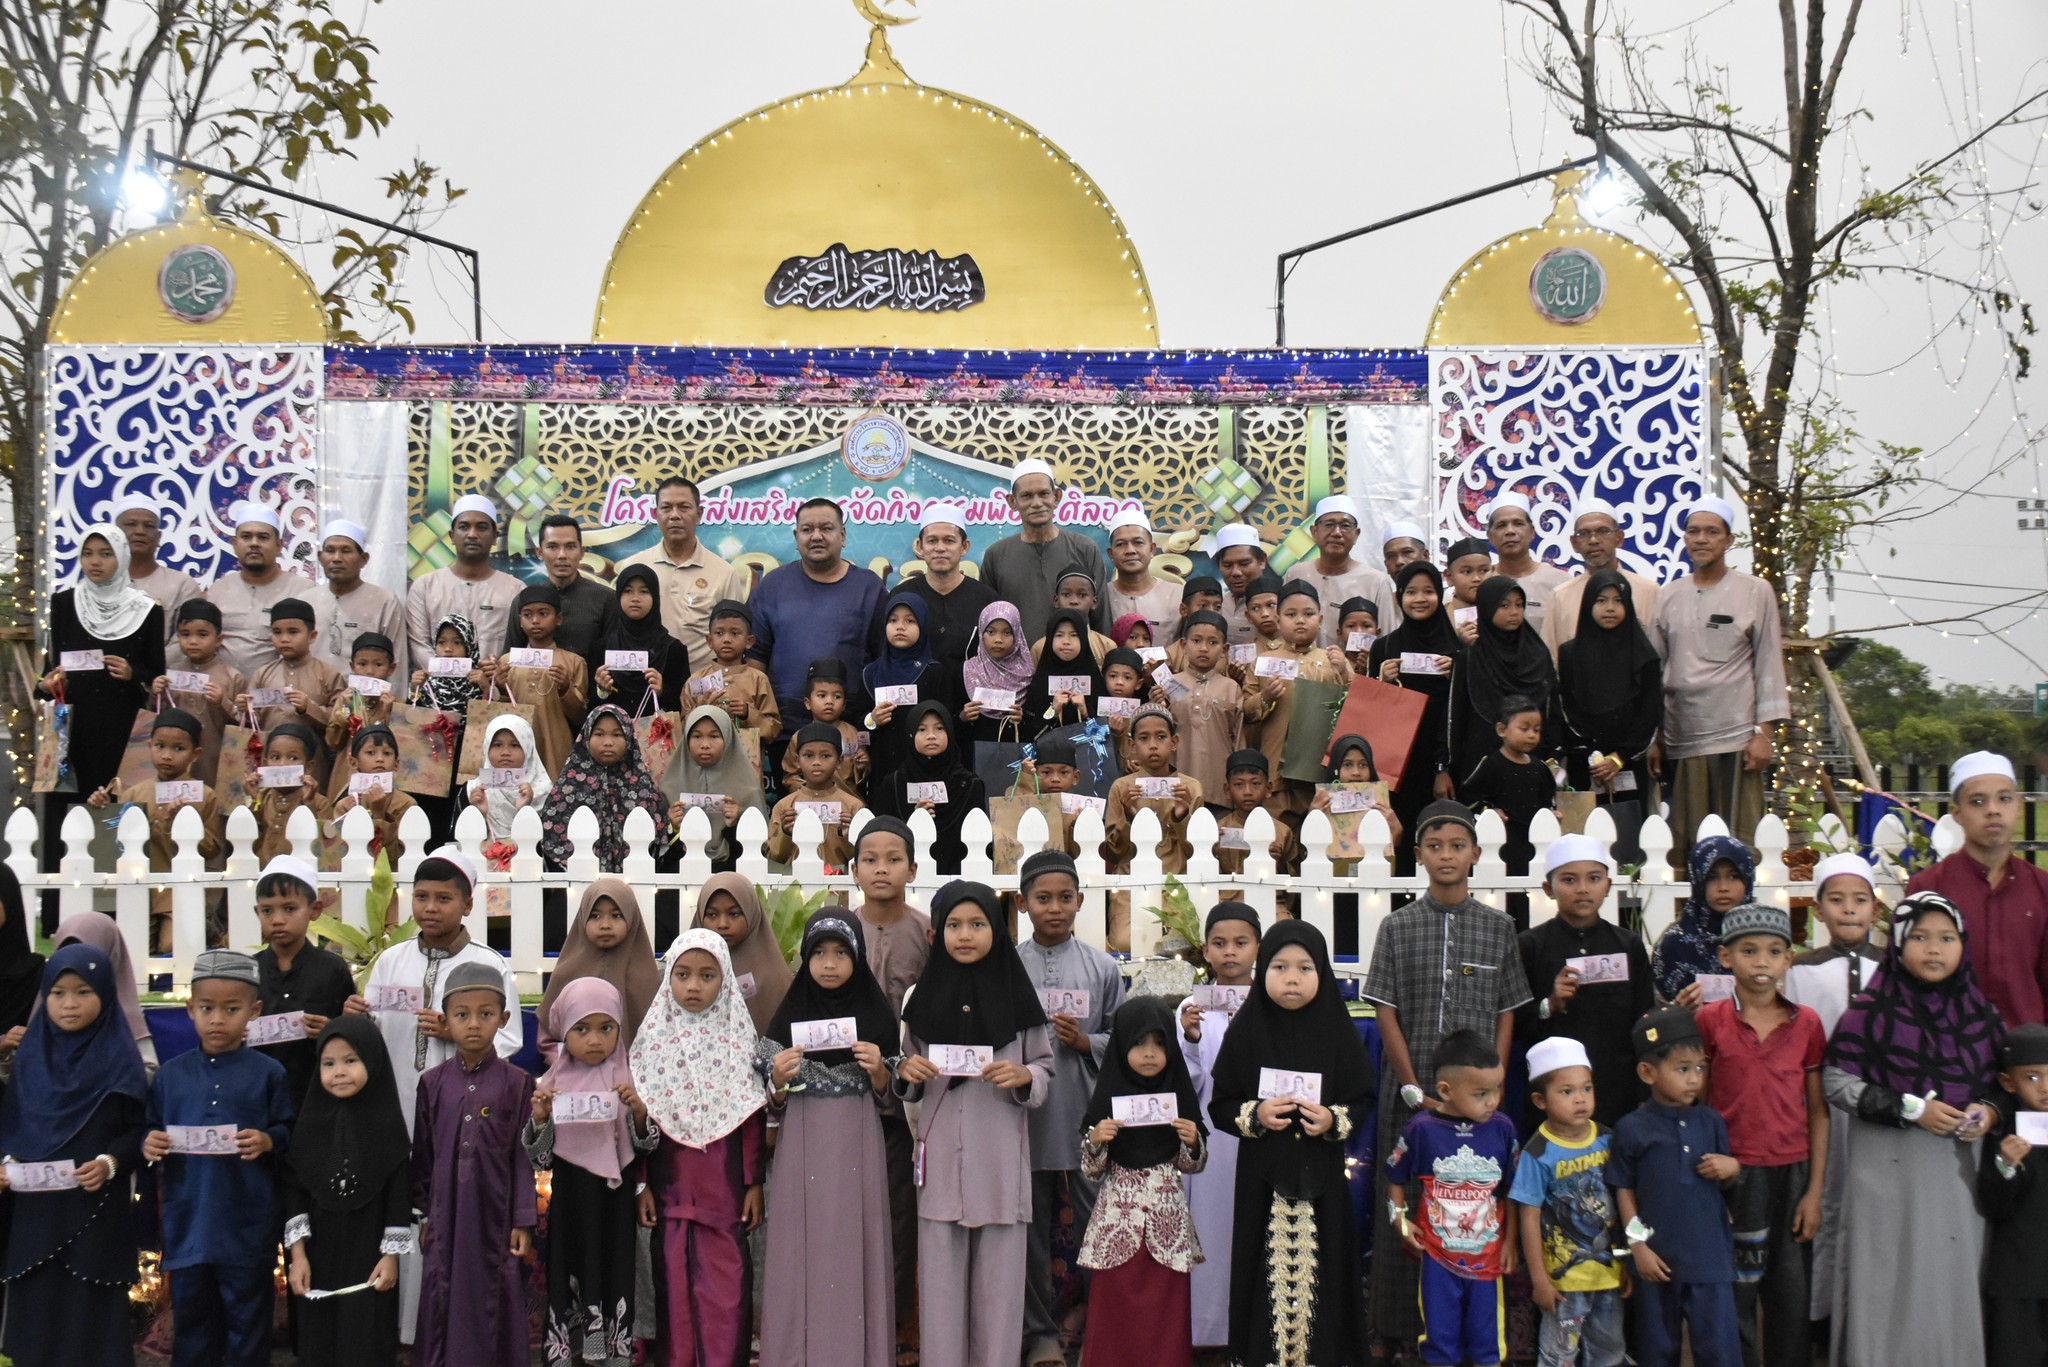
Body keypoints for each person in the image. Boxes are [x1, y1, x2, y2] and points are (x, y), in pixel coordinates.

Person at [1363, 801, 1532, 1349]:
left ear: (1475, 854)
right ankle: (1398, 1333)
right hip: (1409, 1099)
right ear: (1418, 855)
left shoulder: (1499, 928)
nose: (1446, 856)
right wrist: (1413, 1087)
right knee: (1405, 1204)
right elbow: (1385, 1009)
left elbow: (1506, 1011)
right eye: (1435, 847)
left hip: (1478, 1108)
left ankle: (1472, 1338)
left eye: (1457, 846)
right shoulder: (1397, 926)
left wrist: (1490, 1087)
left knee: (1472, 1207)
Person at [1822, 893, 2002, 1367]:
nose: (1934, 949)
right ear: (1898, 944)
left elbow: (2001, 1086)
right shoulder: (1869, 1012)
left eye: (1946, 938)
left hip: (1956, 1177)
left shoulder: (1982, 1017)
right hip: (1886, 1177)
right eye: (1920, 937)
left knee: (1948, 1278)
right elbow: (1835, 1082)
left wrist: (1987, 1112)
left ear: (1963, 945)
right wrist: (1910, 1108)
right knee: (1887, 1275)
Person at [897, 880, 1053, 1367]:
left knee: (1000, 1296)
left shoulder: (1019, 997)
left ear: (997, 930)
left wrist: (1024, 1076)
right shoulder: (920, 1001)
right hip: (941, 1166)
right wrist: (907, 1074)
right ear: (938, 933)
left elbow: (1044, 1069)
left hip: (1000, 1167)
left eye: (978, 924)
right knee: (940, 1292)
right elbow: (907, 1073)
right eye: (954, 925)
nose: (965, 935)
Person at [1207, 921, 1375, 1367]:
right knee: (1260, 1271)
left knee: (1327, 1272)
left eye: (1305, 967)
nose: (1293, 978)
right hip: (1262, 1180)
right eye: (1280, 967)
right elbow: (1221, 1105)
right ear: (1263, 970)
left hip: (1324, 1180)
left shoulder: (1338, 1031)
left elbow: (1362, 1098)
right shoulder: (1247, 1031)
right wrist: (1256, 1115)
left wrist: (1334, 1119)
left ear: (1323, 972)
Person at [756, 909, 900, 1367]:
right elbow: (771, 1101)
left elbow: (892, 1096)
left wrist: (880, 1073)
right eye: (819, 953)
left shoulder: (877, 1019)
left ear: (858, 957)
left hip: (858, 1144)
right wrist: (778, 1080)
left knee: (854, 1245)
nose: (830, 963)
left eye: (841, 952)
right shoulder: (788, 1019)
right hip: (800, 1145)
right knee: (801, 1248)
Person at [0, 944, 150, 1367]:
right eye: (58, 993)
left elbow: (140, 1131)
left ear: (105, 993)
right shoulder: (30, 1058)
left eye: (83, 992)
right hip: (36, 1214)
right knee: (38, 1314)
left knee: (91, 1320)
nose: (69, 1004)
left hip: (95, 1211)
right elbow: (12, 1127)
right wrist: (7, 1165)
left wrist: (109, 1163)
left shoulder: (120, 1058)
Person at [144, 949, 295, 1367]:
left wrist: (268, 1140)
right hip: (188, 1224)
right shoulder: (171, 1076)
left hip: (247, 1227)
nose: (217, 1020)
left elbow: (288, 1130)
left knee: (249, 1328)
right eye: (207, 1008)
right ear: (190, 1009)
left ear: (254, 1011)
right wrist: (149, 1143)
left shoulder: (269, 1073)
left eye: (231, 1009)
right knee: (193, 1329)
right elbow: (150, 1128)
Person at [631, 929, 771, 1367]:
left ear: (725, 980)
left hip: (724, 1195)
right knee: (673, 1289)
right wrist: (641, 1184)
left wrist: (753, 1184)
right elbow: (638, 1122)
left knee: (728, 1291)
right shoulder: (652, 1044)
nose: (694, 986)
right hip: (670, 1193)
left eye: (708, 976)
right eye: (683, 975)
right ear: (668, 978)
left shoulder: (738, 1043)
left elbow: (750, 1118)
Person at [1696, 904, 1826, 1367]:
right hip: (1734, 1173)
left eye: (1774, 951)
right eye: (1748, 951)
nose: (1761, 962)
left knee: (1791, 1291)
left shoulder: (1807, 1023)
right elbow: (1699, 1107)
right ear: (1726, 957)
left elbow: (1818, 1112)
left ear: (1789, 959)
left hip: (1792, 1174)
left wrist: (1814, 1192)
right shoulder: (1710, 1020)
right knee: (1737, 1291)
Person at [1012, 850, 1125, 1367]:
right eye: (1043, 899)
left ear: (1080, 901)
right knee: (1029, 1230)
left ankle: (1104, 1330)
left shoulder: (1102, 967)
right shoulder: (1009, 966)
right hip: (1026, 1116)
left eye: (1064, 898)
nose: (1054, 908)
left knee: (1098, 1224)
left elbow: (1125, 1042)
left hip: (1086, 1117)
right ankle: (1039, 1334)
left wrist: (1086, 1042)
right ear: (1022, 904)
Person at [526, 978, 658, 1367]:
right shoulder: (553, 1083)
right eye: (581, 1029)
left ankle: (613, 1353)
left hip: (614, 1200)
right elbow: (540, 1158)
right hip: (570, 1198)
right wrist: (540, 1118)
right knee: (570, 1268)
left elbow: (645, 1147)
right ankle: (569, 1352)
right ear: (564, 1032)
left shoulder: (628, 1077)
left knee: (615, 1267)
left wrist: (638, 1112)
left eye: (606, 1028)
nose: (595, 1040)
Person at [411, 960, 536, 1367]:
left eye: (485, 1014)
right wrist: (424, 1213)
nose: (473, 1025)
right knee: (443, 1284)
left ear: (503, 1019)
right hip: (445, 1213)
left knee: (495, 1289)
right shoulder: (432, 1083)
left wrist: (522, 1220)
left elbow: (523, 1156)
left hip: (495, 1215)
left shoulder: (517, 1083)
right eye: (462, 1015)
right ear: (445, 1020)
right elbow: (424, 1153)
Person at [348, 850, 522, 1131]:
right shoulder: (391, 960)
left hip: (465, 1095)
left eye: (443, 899)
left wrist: (457, 1034)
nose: (430, 907)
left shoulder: (489, 964)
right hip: (396, 1090)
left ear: (467, 905)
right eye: (421, 897)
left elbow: (509, 1038)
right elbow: (375, 1025)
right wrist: (358, 1019)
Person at [1076, 996, 1208, 1367]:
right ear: (1121, 1045)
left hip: (1168, 1225)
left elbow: (1192, 1164)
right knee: (1115, 1311)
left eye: (1159, 1043)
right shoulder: (1108, 1097)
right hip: (1116, 1224)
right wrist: (1096, 1141)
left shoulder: (1178, 1096)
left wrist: (1193, 1142)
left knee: (1165, 1313)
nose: (1150, 1053)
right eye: (1138, 1043)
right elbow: (1092, 1169)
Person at [1651, 496, 1789, 849]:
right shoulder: (1668, 596)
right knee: (1688, 845)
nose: (1701, 539)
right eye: (1694, 531)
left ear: (1729, 540)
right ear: (1685, 538)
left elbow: (1769, 663)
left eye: (1712, 532)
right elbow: (1657, 670)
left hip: (1737, 739)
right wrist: (1656, 738)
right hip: (1682, 738)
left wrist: (1764, 734)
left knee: (1740, 843)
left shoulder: (1755, 591)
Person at [1609, 1006, 1742, 1367]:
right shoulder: (1631, 1128)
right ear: (1647, 1073)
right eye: (1682, 1069)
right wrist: (1638, 1247)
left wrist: (1732, 1168)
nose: (1694, 1079)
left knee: (1720, 1351)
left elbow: (1728, 1185)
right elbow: (1624, 1190)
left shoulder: (1712, 1122)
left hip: (1709, 1260)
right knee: (1656, 1352)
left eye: (1700, 1068)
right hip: (1656, 1262)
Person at [1780, 853, 1880, 1328]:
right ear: (1818, 910)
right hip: (1821, 1103)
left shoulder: (1892, 967)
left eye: (1859, 900)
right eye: (1837, 900)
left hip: (1876, 1101)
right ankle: (1822, 1312)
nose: (1849, 909)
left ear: (1875, 908)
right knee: (1826, 1193)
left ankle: (1867, 1309)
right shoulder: (1801, 970)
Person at [1386, 1029, 1520, 1367]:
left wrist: (1510, 1242)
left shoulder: (1503, 1129)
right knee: (1439, 1339)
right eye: (1481, 1093)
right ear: (1446, 1090)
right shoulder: (1421, 1129)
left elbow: (1513, 1190)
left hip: (1488, 1257)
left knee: (1488, 1342)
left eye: (1497, 1089)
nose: (1492, 1101)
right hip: (1437, 1257)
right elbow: (1395, 1176)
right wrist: (1398, 1220)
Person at [284, 1018, 413, 1367]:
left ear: (373, 1061)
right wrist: (298, 1257)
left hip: (370, 1257)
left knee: (365, 1336)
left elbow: (398, 1197)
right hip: (318, 1255)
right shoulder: (309, 1125)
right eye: (329, 1063)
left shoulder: (387, 1127)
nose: (339, 1072)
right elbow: (295, 1192)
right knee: (319, 1336)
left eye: (351, 1060)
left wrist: (391, 1257)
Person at [849, 817, 928, 1358]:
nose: (882, 869)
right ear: (853, 871)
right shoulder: (838, 930)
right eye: (871, 860)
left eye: (893, 859)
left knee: (901, 1218)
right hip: (846, 1096)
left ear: (912, 869)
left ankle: (900, 1327)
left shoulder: (928, 933)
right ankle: (851, 1322)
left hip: (903, 1106)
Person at [1516, 835, 1652, 1129]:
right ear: (1548, 889)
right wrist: (1550, 1004)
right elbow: (1516, 1023)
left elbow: (1644, 1019)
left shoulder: (1628, 945)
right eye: (1569, 880)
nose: (1582, 889)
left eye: (1593, 878)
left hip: (1618, 1093)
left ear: (1608, 885)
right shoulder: (1530, 946)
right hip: (1553, 1100)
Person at [39, 523, 166, 833]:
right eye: (88, 554)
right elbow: (49, 669)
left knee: (117, 816)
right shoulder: (64, 604)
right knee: (69, 821)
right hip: (72, 728)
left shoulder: (146, 610)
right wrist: (46, 684)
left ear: (122, 557)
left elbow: (157, 674)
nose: (95, 562)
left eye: (106, 554)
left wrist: (133, 673)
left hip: (121, 726)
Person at [1906, 750, 2048, 1025]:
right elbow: (1911, 982)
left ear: (2018, 806)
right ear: (1958, 814)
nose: (1993, 810)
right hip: (1947, 1043)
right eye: (1978, 801)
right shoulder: (1928, 887)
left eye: (2004, 799)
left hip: (2025, 1044)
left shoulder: (2041, 888)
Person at [1508, 1037, 1626, 1367]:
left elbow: (1621, 1202)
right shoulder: (1537, 1152)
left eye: (1586, 1088)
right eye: (1567, 1091)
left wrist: (1626, 1262)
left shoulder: (1607, 1139)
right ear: (1540, 1100)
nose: (1580, 1099)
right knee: (1559, 1356)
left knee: (1609, 1353)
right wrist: (1539, 1280)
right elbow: (1529, 1217)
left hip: (1609, 1276)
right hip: (1563, 1285)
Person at [1177, 903, 1260, 1352]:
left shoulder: (1271, 1001)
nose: (1230, 952)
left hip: (1259, 1133)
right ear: (1205, 950)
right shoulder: (1193, 1007)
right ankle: (1209, 1332)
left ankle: (1254, 1328)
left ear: (1257, 948)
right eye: (1220, 943)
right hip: (1212, 1134)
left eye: (1240, 943)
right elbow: (1187, 1083)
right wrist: (1190, 1039)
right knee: (1211, 1227)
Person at [83, 705, 222, 953]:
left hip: (178, 889)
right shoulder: (134, 793)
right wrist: (101, 808)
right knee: (136, 950)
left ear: (196, 754)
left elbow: (212, 849)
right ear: (149, 746)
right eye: (160, 746)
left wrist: (183, 824)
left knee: (171, 946)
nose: (167, 755)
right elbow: (115, 840)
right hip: (140, 887)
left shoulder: (204, 795)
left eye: (178, 748)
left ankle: (206, 928)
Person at [1555, 567, 1663, 861]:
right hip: (1585, 764)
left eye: (1618, 600)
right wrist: (1593, 755)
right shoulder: (1570, 654)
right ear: (1587, 605)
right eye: (1601, 600)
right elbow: (1566, 706)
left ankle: (1629, 892)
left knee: (1628, 845)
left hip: (1628, 764)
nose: (1610, 608)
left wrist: (1618, 757)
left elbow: (1650, 712)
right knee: (1584, 847)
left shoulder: (1645, 656)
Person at [750, 497, 889, 722]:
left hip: (850, 725)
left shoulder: (868, 588)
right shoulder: (772, 586)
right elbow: (755, 657)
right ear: (796, 537)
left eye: (826, 528)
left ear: (842, 535)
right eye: (807, 530)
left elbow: (884, 658)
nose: (816, 536)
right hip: (782, 724)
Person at [1369, 562, 1463, 868]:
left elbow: (1463, 713)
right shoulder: (1384, 648)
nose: (1420, 599)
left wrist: (1458, 675)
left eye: (1428, 591)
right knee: (1398, 844)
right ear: (1399, 597)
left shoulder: (1459, 652)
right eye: (1411, 592)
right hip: (1396, 770)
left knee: (1441, 840)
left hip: (1444, 767)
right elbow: (1370, 715)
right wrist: (1381, 680)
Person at [251, 855, 354, 1111]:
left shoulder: (332, 970)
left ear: (314, 910)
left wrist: (330, 1031)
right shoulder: (249, 971)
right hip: (259, 1096)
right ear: (257, 912)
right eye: (267, 910)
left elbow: (351, 1036)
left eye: (289, 909)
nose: (277, 919)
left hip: (316, 1096)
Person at [619, 476, 751, 670]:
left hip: (702, 683)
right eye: (666, 508)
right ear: (655, 514)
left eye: (684, 507)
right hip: (645, 680)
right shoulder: (633, 566)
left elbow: (735, 640)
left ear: (699, 514)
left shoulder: (724, 573)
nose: (674, 515)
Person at [980, 459, 1111, 644]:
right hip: (1015, 661)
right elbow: (988, 621)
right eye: (1027, 496)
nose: (1037, 503)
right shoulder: (996, 555)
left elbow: (1101, 618)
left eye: (1044, 494)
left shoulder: (1085, 549)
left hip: (1074, 660)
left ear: (1056, 497)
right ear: (1012, 501)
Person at [1979, 1023, 2048, 1365]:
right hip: (2019, 1279)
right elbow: (1995, 1206)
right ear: (2008, 1083)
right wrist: (2005, 1164)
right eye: (2033, 1078)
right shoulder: (2005, 1134)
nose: (2046, 1088)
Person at [538, 876, 661, 1065]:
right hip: (575, 1074)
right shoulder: (568, 972)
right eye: (595, 916)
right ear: (583, 918)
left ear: (632, 917)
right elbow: (548, 1038)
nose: (605, 925)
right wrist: (569, 1064)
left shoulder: (646, 978)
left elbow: (659, 1038)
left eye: (616, 915)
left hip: (635, 1076)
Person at [1449, 575, 1557, 785]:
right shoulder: (1470, 657)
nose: (1514, 612)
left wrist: (1554, 755)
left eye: (1519, 605)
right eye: (1504, 605)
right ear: (1487, 608)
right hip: (1481, 761)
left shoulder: (1538, 654)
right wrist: (1446, 766)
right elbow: (1455, 715)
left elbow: (1551, 710)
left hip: (1532, 760)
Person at [537, 706, 673, 872]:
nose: (608, 742)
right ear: (587, 736)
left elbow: (657, 842)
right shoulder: (569, 787)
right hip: (578, 879)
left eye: (617, 735)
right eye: (599, 734)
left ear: (629, 737)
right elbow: (552, 836)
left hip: (635, 880)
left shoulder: (644, 789)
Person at [403, 494, 526, 673]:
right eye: (464, 527)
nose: (472, 534)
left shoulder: (515, 589)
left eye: (482, 527)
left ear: (495, 537)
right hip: (438, 688)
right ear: (452, 536)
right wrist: (456, 673)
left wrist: (499, 669)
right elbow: (419, 645)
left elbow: (521, 646)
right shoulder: (425, 587)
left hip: (494, 687)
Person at [869, 702, 985, 874]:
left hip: (958, 876)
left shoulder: (968, 784)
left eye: (939, 728)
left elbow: (978, 840)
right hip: (903, 878)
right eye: (921, 729)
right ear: (910, 734)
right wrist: (914, 818)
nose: (931, 736)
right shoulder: (894, 783)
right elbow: (880, 838)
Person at [1541, 500, 1663, 660]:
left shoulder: (1649, 592)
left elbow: (1657, 657)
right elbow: (1549, 661)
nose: (1593, 540)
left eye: (1603, 531)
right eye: (1584, 533)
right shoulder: (1560, 597)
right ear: (1574, 543)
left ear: (1619, 538)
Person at [496, 582, 590, 777]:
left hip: (556, 746)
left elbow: (581, 717)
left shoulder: (573, 662)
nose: (535, 620)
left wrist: (565, 689)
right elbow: (499, 713)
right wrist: (500, 688)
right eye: (527, 615)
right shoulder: (507, 662)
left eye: (543, 614)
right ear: (520, 621)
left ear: (559, 619)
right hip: (514, 748)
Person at [47, 911, 159, 1074]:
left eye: (83, 992)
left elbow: (147, 1072)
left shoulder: (125, 1017)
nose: (69, 1004)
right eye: (67, 949)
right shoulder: (46, 1011)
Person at [503, 513, 622, 662]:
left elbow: (614, 660)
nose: (562, 555)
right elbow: (510, 660)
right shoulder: (524, 601)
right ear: (539, 552)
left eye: (570, 547)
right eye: (552, 547)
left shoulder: (607, 600)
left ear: (582, 552)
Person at [892, 500, 997, 668]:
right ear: (920, 547)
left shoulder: (986, 600)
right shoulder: (901, 596)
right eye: (932, 541)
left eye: (949, 540)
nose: (940, 548)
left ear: (964, 547)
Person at [1282, 495, 1397, 647]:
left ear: (1356, 534)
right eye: (1328, 525)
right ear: (1314, 532)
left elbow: (1387, 641)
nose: (1337, 532)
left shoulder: (1376, 582)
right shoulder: (1296, 574)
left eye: (1345, 526)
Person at [1652, 835, 1755, 1004]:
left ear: (1748, 879)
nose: (1723, 887)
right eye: (1711, 877)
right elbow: (1660, 1011)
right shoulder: (1674, 944)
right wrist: (1679, 1010)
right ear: (1697, 881)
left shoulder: (1764, 938)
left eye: (1734, 876)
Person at [158, 597, 246, 784]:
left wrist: (223, 702)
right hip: (174, 760)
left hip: (215, 757)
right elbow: (157, 716)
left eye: (202, 635)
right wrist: (156, 694)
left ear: (219, 639)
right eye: (185, 634)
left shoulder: (233, 677)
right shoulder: (171, 674)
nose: (193, 641)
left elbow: (245, 724)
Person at [308, 517, 409, 681]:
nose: (336, 558)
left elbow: (396, 661)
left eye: (346, 551)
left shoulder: (385, 601)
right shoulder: (306, 601)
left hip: (364, 696)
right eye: (330, 550)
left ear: (363, 559)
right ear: (320, 557)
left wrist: (393, 697)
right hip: (312, 695)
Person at [668, 706, 768, 870]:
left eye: (714, 736)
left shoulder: (748, 789)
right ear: (686, 740)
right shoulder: (669, 786)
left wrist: (734, 825)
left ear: (728, 739)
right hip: (681, 876)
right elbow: (657, 857)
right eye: (697, 736)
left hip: (732, 875)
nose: (705, 745)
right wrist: (672, 827)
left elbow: (759, 852)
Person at [207, 500, 300, 675]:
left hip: (281, 688)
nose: (254, 543)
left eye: (263, 537)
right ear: (235, 544)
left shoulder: (301, 591)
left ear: (279, 546)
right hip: (222, 688)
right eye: (246, 537)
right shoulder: (218, 590)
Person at [693, 873, 792, 1035]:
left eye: (734, 914)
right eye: (712, 915)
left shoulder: (773, 977)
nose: (723, 924)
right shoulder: (685, 968)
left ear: (751, 913)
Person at [1165, 608, 1243, 805]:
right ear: (1184, 645)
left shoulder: (1231, 688)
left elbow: (1239, 740)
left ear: (1224, 650)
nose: (1204, 648)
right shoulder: (1170, 684)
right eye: (1196, 640)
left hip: (1220, 787)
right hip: (1177, 787)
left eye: (1213, 642)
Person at [592, 563, 688, 719]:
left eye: (644, 591)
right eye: (627, 591)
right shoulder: (602, 648)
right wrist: (602, 691)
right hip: (613, 732)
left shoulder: (673, 649)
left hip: (656, 733)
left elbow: (684, 704)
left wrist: (662, 692)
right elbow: (590, 706)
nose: (635, 598)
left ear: (655, 597)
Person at [765, 723, 867, 869]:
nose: (817, 762)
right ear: (797, 760)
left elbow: (863, 860)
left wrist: (846, 836)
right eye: (808, 756)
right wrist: (785, 834)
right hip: (795, 881)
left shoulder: (853, 806)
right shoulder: (785, 807)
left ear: (839, 761)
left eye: (826, 756)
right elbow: (773, 858)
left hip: (839, 881)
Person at [109, 494, 202, 649]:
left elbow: (184, 642)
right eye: (131, 524)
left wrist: (147, 663)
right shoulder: (98, 585)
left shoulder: (182, 585)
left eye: (149, 526)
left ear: (158, 537)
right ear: (115, 534)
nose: (140, 531)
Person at [682, 601, 778, 745]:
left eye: (735, 633)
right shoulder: (696, 680)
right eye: (719, 633)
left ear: (749, 641)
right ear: (709, 640)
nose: (726, 640)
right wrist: (700, 710)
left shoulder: (758, 679)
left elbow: (773, 729)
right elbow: (682, 729)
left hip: (746, 757)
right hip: (705, 756)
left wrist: (748, 713)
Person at [464, 714, 553, 858]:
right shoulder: (473, 790)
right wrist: (479, 813)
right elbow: (462, 838)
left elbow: (550, 843)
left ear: (528, 747)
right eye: (497, 745)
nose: (505, 753)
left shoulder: (543, 792)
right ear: (487, 747)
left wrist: (525, 810)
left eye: (515, 745)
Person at [1483, 491, 1568, 637]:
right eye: (1501, 525)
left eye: (1518, 524)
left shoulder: (1560, 583)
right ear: (1490, 536)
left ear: (1532, 532)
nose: (1510, 531)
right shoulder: (1483, 583)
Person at [249, 722, 331, 866]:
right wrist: (255, 800)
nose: (282, 764)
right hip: (261, 874)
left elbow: (325, 850)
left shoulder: (320, 803)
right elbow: (247, 841)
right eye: (275, 757)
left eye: (293, 758)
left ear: (308, 767)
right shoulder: (261, 798)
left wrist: (308, 803)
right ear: (265, 763)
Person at [1214, 749, 1301, 877]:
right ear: (1227, 790)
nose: (1248, 792)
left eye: (1255, 784)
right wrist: (1215, 848)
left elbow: (1295, 879)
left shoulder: (1283, 832)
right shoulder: (1219, 831)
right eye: (1239, 784)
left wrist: (1280, 862)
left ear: (1268, 788)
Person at [959, 600, 1032, 744]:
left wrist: (1021, 720)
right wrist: (962, 717)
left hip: (1014, 754)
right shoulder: (966, 671)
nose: (998, 640)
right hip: (972, 754)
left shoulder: (1027, 676)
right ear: (981, 633)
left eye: (1007, 632)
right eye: (991, 632)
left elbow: (1036, 730)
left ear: (1017, 635)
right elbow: (949, 727)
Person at [1103, 509, 1180, 642]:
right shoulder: (1102, 597)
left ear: (1152, 549)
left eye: (1138, 542)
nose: (1130, 550)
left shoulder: (1177, 595)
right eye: (1121, 544)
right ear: (1111, 554)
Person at [1212, 524, 1268, 646]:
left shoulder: (1280, 604)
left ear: (1262, 561)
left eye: (1244, 563)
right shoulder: (1216, 606)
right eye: (1227, 565)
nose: (1236, 572)